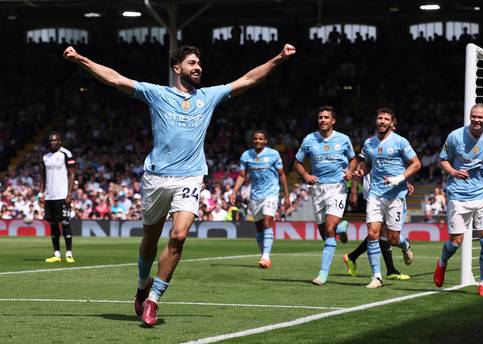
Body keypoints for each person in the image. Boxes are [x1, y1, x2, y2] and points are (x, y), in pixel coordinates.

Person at [63, 43, 296, 326]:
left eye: (199, 63)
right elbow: (114, 78)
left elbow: (248, 79)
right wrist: (80, 59)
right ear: (177, 68)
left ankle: (154, 300)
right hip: (156, 178)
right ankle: (141, 285)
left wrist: (279, 59)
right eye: (192, 63)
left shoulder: (209, 97)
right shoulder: (157, 94)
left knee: (179, 236)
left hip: (190, 177)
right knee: (149, 239)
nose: (198, 67)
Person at [434, 104, 483, 297]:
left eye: (480, 117)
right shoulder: (455, 136)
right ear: (470, 117)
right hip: (458, 195)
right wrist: (453, 171)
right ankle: (442, 262)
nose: (476, 120)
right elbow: (443, 159)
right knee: (455, 242)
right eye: (473, 116)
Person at [353, 108, 421, 288]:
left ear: (392, 123)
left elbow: (416, 164)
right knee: (372, 233)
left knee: (392, 239)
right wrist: (361, 171)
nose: (382, 121)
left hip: (396, 195)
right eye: (380, 118)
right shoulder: (369, 143)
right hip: (375, 193)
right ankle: (377, 276)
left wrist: (400, 179)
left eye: (386, 119)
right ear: (376, 121)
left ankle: (405, 245)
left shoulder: (400, 142)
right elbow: (367, 164)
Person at [294, 105, 357, 286]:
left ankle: (322, 274)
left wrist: (350, 171)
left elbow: (353, 159)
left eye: (326, 117)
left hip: (337, 187)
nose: (322, 120)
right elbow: (297, 163)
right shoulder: (309, 139)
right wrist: (306, 175)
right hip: (318, 189)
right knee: (325, 233)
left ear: (333, 120)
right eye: (320, 117)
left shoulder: (343, 139)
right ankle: (341, 227)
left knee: (329, 228)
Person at [231, 130, 290, 269]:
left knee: (267, 222)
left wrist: (287, 195)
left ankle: (266, 256)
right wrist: (234, 191)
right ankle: (263, 253)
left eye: (260, 139)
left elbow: (282, 175)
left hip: (271, 193)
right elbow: (241, 175)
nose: (258, 141)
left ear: (265, 141)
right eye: (255, 139)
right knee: (258, 227)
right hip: (255, 195)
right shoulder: (246, 155)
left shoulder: (274, 154)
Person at [343, 172, 413, 280]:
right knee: (381, 231)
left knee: (379, 232)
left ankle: (352, 257)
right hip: (375, 189)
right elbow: (360, 165)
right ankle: (391, 269)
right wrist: (353, 191)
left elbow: (388, 164)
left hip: (385, 186)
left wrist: (403, 182)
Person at [39, 132, 76, 263]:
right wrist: (40, 194)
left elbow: (72, 175)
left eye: (55, 141)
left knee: (65, 222)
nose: (52, 143)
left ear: (60, 141)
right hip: (49, 196)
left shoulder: (66, 154)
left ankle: (69, 254)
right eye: (50, 141)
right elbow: (42, 177)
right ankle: (57, 254)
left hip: (62, 195)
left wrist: (69, 193)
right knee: (53, 224)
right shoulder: (45, 157)